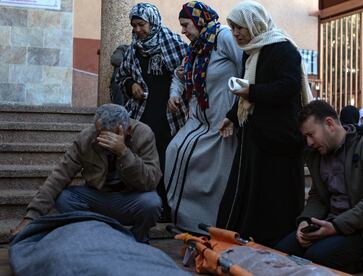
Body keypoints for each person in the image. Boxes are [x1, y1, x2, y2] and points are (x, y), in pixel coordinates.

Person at [216, 1, 313, 246]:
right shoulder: (252, 52)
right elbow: (247, 92)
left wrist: (253, 91)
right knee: (254, 194)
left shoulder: (283, 49)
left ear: (254, 24)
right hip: (256, 137)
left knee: (275, 197)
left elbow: (288, 87)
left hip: (279, 139)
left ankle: (277, 243)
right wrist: (231, 116)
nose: (235, 33)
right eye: (232, 28)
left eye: (239, 28)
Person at [275, 100, 363, 274]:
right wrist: (305, 221)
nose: (309, 142)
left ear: (330, 124)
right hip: (328, 223)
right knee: (280, 253)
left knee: (317, 258)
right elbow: (317, 195)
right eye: (306, 137)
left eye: (311, 134)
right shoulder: (317, 154)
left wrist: (335, 227)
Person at [11, 104, 162, 242]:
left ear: (127, 130)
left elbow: (151, 181)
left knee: (152, 203)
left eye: (109, 137)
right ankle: (93, 235)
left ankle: (137, 241)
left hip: (129, 198)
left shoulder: (143, 134)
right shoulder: (87, 137)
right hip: (98, 198)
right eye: (99, 133)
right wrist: (31, 218)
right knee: (64, 198)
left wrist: (124, 152)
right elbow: (58, 176)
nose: (101, 139)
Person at [164, 1, 243, 233]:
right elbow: (180, 74)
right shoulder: (195, 48)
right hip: (198, 121)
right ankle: (186, 221)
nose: (183, 31)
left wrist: (235, 112)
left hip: (222, 124)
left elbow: (245, 69)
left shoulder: (223, 37)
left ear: (199, 21)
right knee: (174, 151)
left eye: (186, 24)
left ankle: (211, 227)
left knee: (215, 180)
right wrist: (175, 94)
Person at [116, 3, 187, 221]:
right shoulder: (134, 49)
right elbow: (122, 77)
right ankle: (141, 207)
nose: (137, 30)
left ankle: (165, 210)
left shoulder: (174, 44)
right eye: (134, 25)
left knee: (166, 161)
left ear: (153, 22)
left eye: (141, 24)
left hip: (168, 117)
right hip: (142, 114)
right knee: (142, 159)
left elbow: (186, 75)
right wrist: (131, 86)